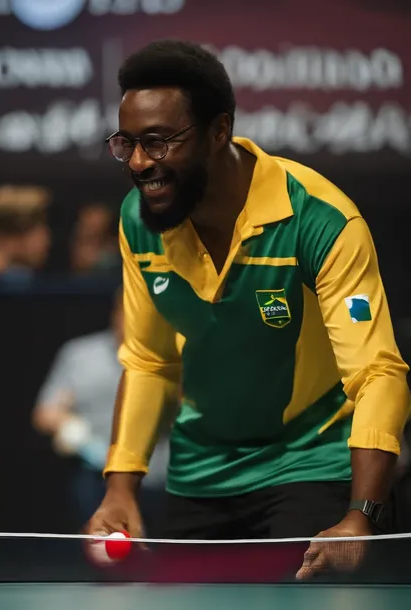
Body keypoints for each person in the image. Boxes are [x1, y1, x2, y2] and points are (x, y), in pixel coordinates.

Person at [87, 40, 410, 578]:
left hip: (308, 464)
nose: (140, 163)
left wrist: (361, 512)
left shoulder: (319, 219)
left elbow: (378, 372)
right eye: (127, 143)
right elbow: (149, 361)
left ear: (219, 132)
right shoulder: (140, 219)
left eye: (159, 142)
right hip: (200, 475)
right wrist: (120, 487)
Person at [32, 288, 170, 528]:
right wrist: (68, 427)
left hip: (162, 482)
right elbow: (45, 413)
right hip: (98, 480)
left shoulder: (176, 357)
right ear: (116, 314)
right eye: (130, 312)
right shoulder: (80, 356)